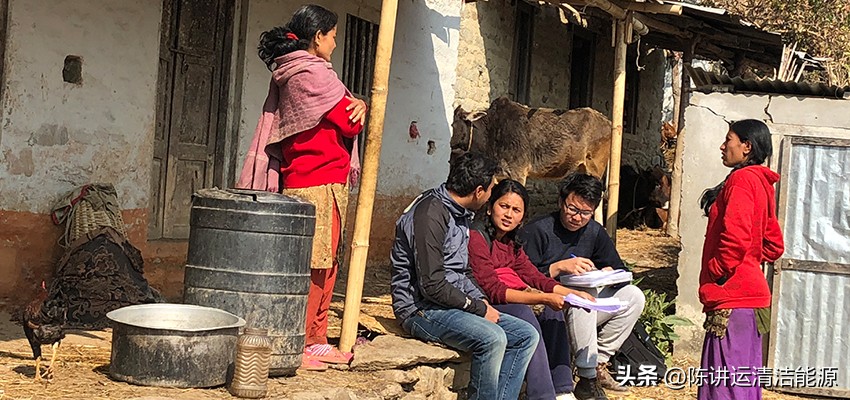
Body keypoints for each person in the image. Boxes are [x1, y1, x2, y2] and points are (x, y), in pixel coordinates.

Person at [237, 4, 367, 370]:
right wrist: (361, 105)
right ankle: (309, 340)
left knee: (317, 263)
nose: (336, 44)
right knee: (318, 267)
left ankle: (312, 338)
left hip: (308, 179)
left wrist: (356, 103)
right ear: (318, 37)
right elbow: (350, 123)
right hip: (318, 180)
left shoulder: (291, 71)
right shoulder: (313, 75)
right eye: (334, 36)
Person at [390, 152, 539, 400]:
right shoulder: (430, 214)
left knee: (525, 336)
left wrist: (482, 301)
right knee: (492, 338)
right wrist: (477, 308)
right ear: (479, 191)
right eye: (492, 190)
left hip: (450, 304)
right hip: (421, 309)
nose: (492, 195)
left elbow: (463, 271)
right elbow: (432, 285)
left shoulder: (460, 214)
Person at [518, 173, 646, 400]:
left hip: (585, 308)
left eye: (585, 213)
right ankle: (587, 378)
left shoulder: (594, 231)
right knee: (582, 299)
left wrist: (604, 273)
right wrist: (558, 268)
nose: (577, 218)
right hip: (552, 307)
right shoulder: (538, 230)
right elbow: (521, 277)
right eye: (572, 209)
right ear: (561, 202)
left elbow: (619, 269)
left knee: (634, 295)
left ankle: (599, 362)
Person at [468, 179, 596, 400]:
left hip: (508, 296)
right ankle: (542, 395)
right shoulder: (477, 238)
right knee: (525, 315)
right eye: (504, 206)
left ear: (522, 217)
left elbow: (535, 276)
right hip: (483, 301)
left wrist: (570, 293)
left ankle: (563, 389)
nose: (509, 215)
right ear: (489, 208)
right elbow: (492, 289)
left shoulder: (511, 243)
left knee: (553, 310)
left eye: (516, 210)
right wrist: (544, 298)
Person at [697, 119, 784, 400]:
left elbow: (735, 237)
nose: (723, 146)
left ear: (746, 146)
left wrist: (719, 270)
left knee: (723, 388)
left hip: (733, 299)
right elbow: (774, 244)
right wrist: (751, 259)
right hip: (753, 300)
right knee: (743, 385)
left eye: (729, 139)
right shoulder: (761, 183)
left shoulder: (742, 180)